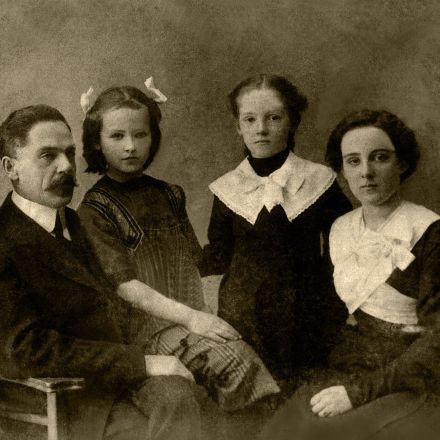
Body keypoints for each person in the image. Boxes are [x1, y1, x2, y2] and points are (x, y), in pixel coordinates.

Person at [0, 104, 221, 440]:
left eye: (69, 153)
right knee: (179, 407)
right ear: (10, 168)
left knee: (211, 397)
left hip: (118, 378)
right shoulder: (4, 241)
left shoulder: (77, 222)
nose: (65, 166)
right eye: (47, 156)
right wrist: (142, 363)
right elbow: (27, 350)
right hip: (63, 399)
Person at [77, 82, 280, 413]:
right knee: (237, 363)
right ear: (97, 142)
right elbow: (126, 287)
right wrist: (194, 320)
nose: (130, 146)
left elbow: (197, 264)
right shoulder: (96, 208)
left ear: (152, 137)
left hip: (187, 322)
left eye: (140, 135)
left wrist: (213, 316)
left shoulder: (169, 194)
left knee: (251, 343)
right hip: (142, 334)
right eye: (117, 137)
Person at [260, 109, 440, 440]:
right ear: (342, 170)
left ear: (401, 163)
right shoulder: (341, 228)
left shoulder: (430, 231)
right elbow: (332, 314)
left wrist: (356, 394)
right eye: (353, 161)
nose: (366, 172)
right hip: (352, 364)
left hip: (411, 373)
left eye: (380, 158)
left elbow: (436, 339)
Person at [199, 74, 351, 385]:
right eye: (250, 119)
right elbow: (218, 255)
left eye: (273, 117)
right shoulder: (227, 189)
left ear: (292, 122)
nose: (261, 129)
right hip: (243, 316)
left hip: (308, 313)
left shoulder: (319, 180)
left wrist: (338, 306)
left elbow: (346, 244)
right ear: (238, 126)